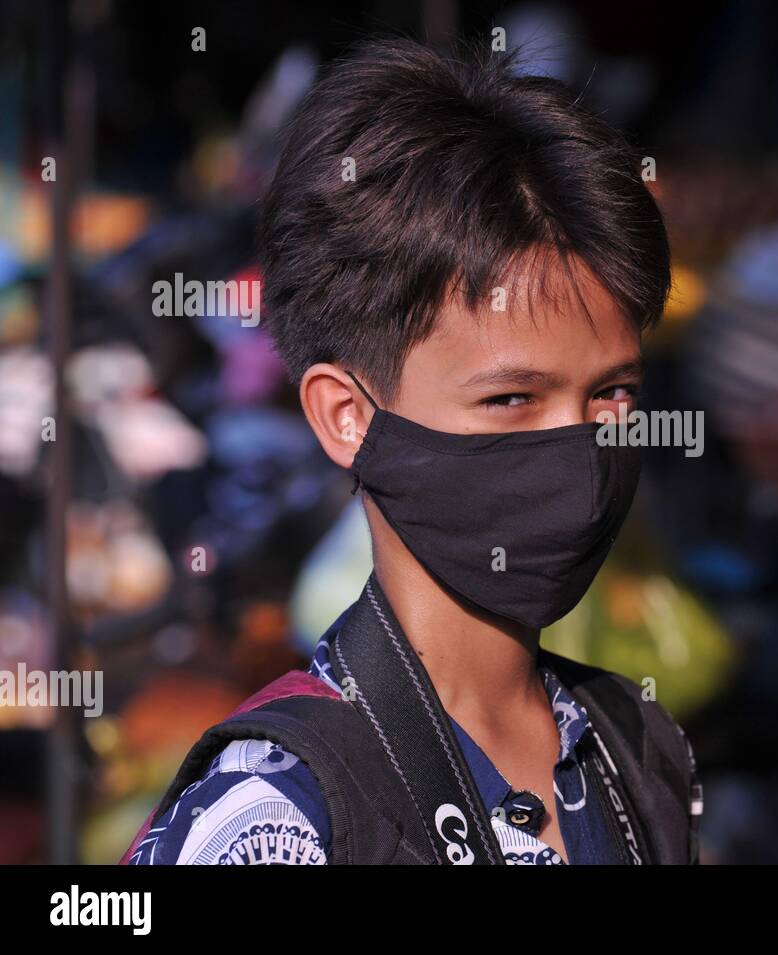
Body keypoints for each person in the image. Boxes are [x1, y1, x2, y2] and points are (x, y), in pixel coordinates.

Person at [122, 37, 700, 866]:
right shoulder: (277, 820)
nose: (580, 448)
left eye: (612, 394)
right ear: (346, 415)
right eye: (511, 399)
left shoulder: (637, 750)